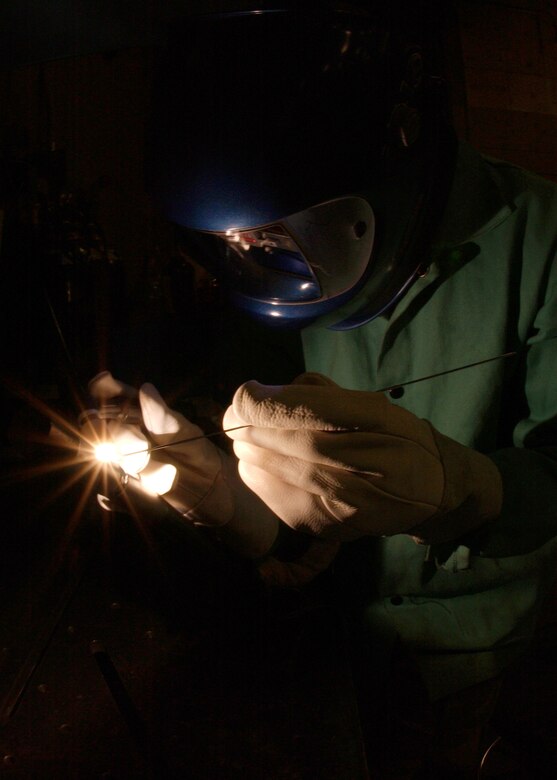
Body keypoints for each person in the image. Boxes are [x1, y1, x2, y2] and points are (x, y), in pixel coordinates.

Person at [92, 3, 557, 776]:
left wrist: (465, 487)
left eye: (279, 229)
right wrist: (217, 488)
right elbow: (244, 420)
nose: (254, 252)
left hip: (479, 659)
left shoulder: (541, 237)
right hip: (318, 637)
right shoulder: (261, 270)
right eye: (238, 240)